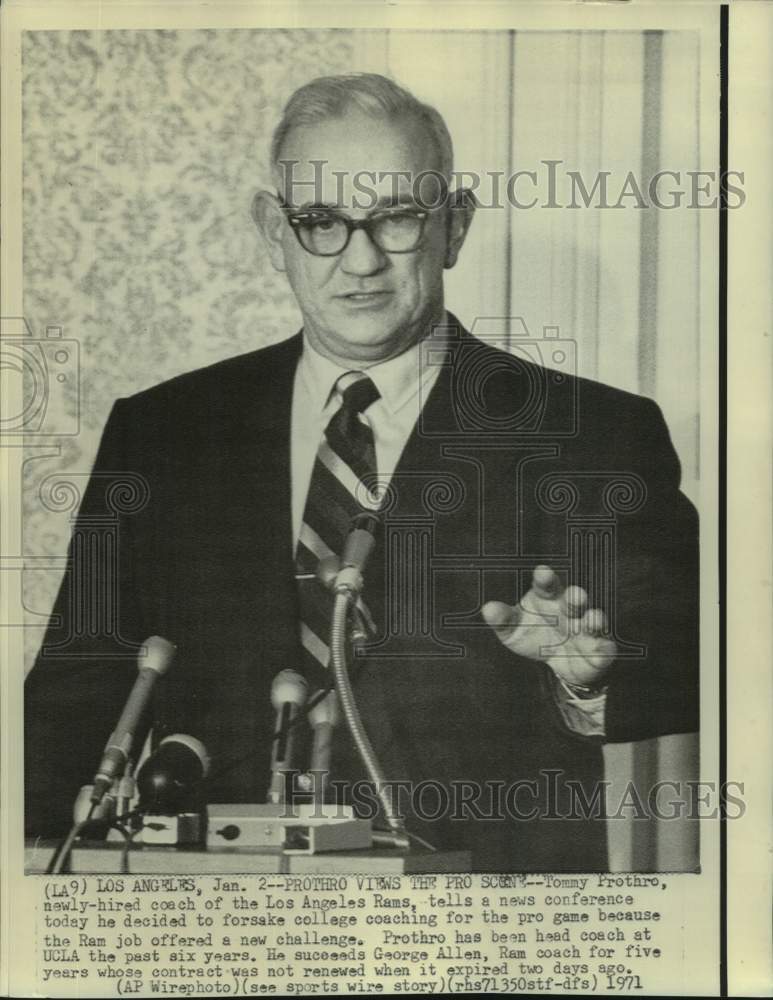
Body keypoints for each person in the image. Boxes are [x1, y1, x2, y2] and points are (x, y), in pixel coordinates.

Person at [24, 73, 698, 871]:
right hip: (217, 910)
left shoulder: (595, 435)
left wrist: (583, 684)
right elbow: (73, 696)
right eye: (320, 222)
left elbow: (693, 668)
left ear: (454, 226)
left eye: (398, 217)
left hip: (484, 914)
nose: (361, 259)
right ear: (271, 229)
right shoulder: (163, 431)